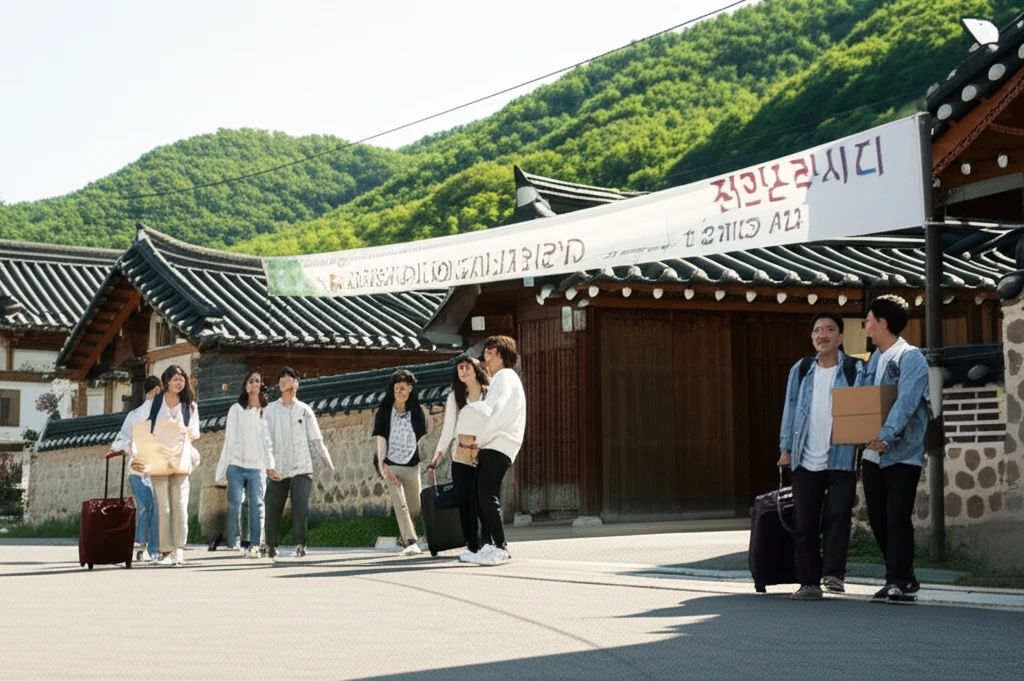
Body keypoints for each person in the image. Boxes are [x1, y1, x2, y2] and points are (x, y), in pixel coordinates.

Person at [778, 313, 864, 600]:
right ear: (812, 337)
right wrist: (785, 448)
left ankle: (834, 574)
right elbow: (789, 409)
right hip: (805, 456)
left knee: (838, 515)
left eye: (829, 329)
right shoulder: (801, 369)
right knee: (805, 522)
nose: (822, 334)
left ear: (840, 337)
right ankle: (809, 582)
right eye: (817, 330)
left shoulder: (855, 369)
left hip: (842, 455)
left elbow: (865, 406)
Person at [861, 294, 930, 603]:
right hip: (871, 453)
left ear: (883, 323)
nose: (865, 327)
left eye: (869, 320)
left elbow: (906, 402)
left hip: (902, 451)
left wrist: (886, 436)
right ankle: (900, 576)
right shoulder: (874, 359)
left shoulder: (910, 357)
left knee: (896, 517)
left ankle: (898, 580)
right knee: (877, 517)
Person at [462, 335, 526, 566]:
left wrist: (478, 436)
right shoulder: (501, 378)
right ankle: (487, 545)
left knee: (486, 494)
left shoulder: (505, 376)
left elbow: (493, 409)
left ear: (499, 354)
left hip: (500, 442)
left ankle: (500, 546)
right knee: (480, 495)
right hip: (494, 442)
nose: (485, 358)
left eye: (489, 353)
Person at [128, 365, 200, 566]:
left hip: (180, 458)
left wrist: (177, 431)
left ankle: (179, 548)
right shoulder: (154, 404)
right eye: (175, 379)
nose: (179, 382)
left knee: (180, 504)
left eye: (182, 378)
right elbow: (143, 430)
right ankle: (164, 550)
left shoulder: (190, 406)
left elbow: (194, 432)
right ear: (166, 381)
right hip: (158, 459)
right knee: (163, 507)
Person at [263, 367, 334, 560]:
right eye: (281, 378)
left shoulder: (304, 410)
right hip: (278, 467)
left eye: (289, 378)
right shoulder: (270, 410)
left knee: (300, 506)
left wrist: (328, 462)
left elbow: (317, 439)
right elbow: (264, 438)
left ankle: (300, 544)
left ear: (297, 383)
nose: (284, 381)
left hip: (302, 466)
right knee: (273, 506)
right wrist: (267, 465)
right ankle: (271, 544)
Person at [428, 356, 490, 557]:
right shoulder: (455, 395)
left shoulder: (489, 392)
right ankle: (472, 545)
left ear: (476, 369)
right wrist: (439, 453)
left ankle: (487, 542)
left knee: (484, 498)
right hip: (461, 453)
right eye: (459, 368)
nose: (463, 371)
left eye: (466, 367)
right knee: (465, 501)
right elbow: (448, 428)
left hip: (484, 450)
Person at [214, 370, 273, 559]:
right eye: (251, 381)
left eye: (258, 381)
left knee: (257, 504)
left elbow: (269, 441)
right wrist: (224, 467)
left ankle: (256, 543)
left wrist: (270, 465)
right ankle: (237, 539)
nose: (254, 384)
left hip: (257, 466)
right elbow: (229, 439)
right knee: (236, 503)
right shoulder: (236, 409)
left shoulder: (266, 411)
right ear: (245, 385)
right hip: (237, 464)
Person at [107, 376, 163, 562]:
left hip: (137, 468)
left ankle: (141, 544)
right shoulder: (161, 413)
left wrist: (126, 447)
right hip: (154, 467)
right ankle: (151, 549)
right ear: (156, 390)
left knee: (145, 508)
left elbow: (120, 439)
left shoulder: (133, 415)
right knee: (153, 508)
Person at [373, 369, 429, 556]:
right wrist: (383, 465)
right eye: (397, 388)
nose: (400, 392)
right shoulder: (385, 410)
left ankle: (402, 536)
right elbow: (381, 438)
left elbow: (421, 439)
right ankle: (411, 541)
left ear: (410, 389)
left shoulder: (416, 410)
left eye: (403, 388)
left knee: (414, 506)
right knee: (400, 502)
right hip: (391, 464)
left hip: (412, 464)